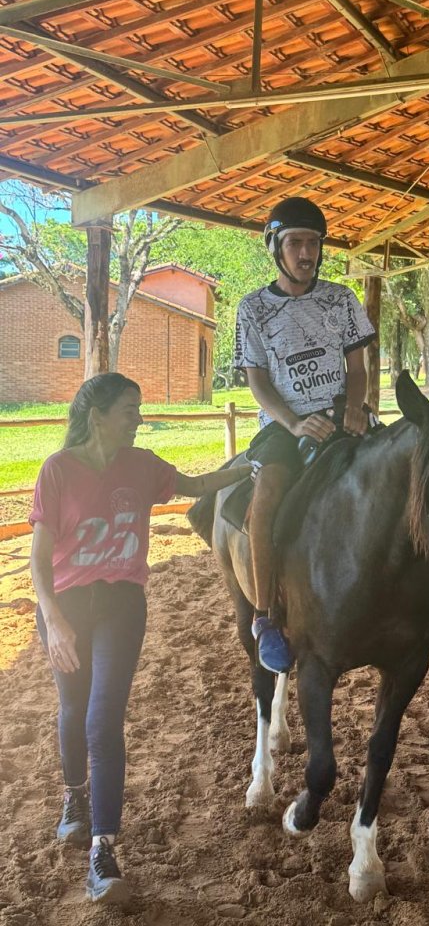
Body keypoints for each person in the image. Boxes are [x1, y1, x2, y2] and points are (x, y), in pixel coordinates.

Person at [30, 373, 258, 905]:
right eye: (130, 409)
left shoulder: (144, 465)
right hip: (63, 607)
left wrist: (252, 463)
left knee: (102, 719)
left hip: (121, 606)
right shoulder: (57, 470)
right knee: (72, 708)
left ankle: (102, 851)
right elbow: (38, 559)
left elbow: (199, 486)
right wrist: (54, 619)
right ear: (98, 416)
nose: (138, 417)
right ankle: (74, 796)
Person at [234, 197, 381, 674]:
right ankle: (266, 616)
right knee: (270, 491)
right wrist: (293, 422)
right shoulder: (253, 308)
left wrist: (355, 409)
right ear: (275, 248)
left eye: (313, 242)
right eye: (295, 242)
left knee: (401, 470)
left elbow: (357, 365)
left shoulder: (341, 300)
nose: (306, 252)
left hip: (341, 413)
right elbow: (257, 381)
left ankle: (426, 596)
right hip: (284, 421)